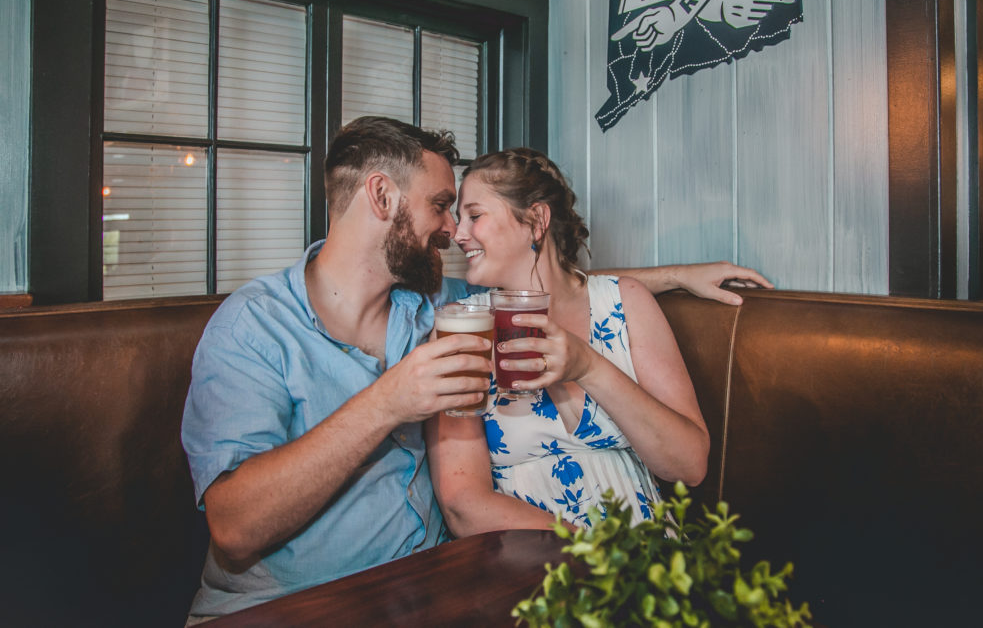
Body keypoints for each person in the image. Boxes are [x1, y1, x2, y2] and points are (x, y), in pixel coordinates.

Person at [181, 117, 771, 620]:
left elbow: (554, 284)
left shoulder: (437, 305)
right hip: (291, 606)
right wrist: (389, 401)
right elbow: (233, 529)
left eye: (463, 213)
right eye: (441, 207)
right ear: (382, 198)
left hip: (432, 589)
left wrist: (676, 278)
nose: (451, 231)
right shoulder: (253, 328)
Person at [426, 148, 710, 534]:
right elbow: (463, 505)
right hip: (531, 561)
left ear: (536, 219)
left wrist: (591, 367)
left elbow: (690, 466)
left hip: (647, 559)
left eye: (474, 216)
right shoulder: (463, 327)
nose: (459, 234)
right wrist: (596, 555)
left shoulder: (625, 303)